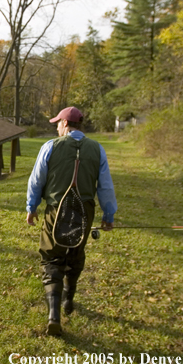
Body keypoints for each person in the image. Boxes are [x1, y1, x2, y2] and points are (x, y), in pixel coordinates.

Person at [26, 106, 117, 336]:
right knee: (75, 253)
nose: (56, 127)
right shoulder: (97, 149)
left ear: (65, 124)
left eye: (58, 123)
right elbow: (105, 186)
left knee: (51, 257)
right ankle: (69, 298)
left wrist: (32, 207)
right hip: (85, 210)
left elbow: (36, 181)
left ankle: (53, 314)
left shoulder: (49, 146)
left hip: (56, 209)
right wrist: (108, 215)